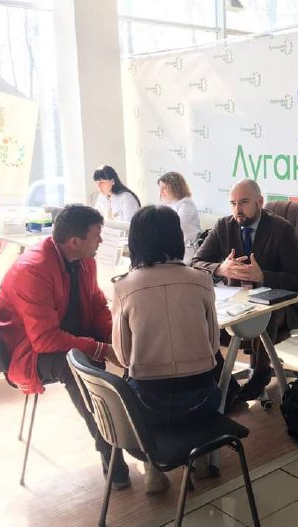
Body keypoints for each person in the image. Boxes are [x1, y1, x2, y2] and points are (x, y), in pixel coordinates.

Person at [0, 204, 131, 489]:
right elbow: (44, 340)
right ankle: (111, 451)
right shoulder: (33, 270)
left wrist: (114, 340)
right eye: (97, 235)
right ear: (75, 241)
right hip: (28, 352)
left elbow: (96, 305)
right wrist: (101, 349)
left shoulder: (84, 260)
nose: (101, 240)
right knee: (76, 366)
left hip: (62, 336)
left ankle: (135, 431)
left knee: (112, 349)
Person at [111, 205, 220, 494]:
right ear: (176, 237)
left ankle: (153, 470)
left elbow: (123, 356)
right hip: (200, 402)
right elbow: (213, 346)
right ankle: (200, 460)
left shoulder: (123, 287)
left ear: (135, 241)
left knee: (132, 384)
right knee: (213, 384)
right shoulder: (201, 280)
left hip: (147, 405)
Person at [190, 179, 298, 402]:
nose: (237, 210)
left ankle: (261, 373)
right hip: (236, 300)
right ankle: (225, 382)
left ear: (259, 202)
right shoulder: (224, 226)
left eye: (243, 202)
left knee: (264, 313)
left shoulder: (282, 230)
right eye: (233, 203)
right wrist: (220, 269)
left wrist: (263, 276)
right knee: (199, 317)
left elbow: (297, 279)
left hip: (278, 305)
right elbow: (196, 263)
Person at [157, 171, 201, 263]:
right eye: (160, 188)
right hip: (173, 246)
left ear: (175, 188)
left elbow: (175, 226)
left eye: (164, 188)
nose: (161, 192)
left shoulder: (186, 204)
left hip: (188, 248)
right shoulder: (167, 204)